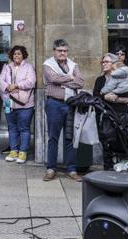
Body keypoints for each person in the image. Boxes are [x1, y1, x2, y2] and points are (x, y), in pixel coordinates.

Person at [42, 39, 85, 182]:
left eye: (65, 51)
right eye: (60, 50)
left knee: (70, 137)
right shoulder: (48, 64)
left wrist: (63, 82)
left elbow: (80, 81)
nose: (62, 53)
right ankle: (51, 168)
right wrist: (69, 78)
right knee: (53, 137)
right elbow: (52, 78)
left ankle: (71, 170)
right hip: (54, 104)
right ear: (54, 51)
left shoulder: (73, 64)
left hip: (71, 104)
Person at [0, 45, 35, 164]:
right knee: (12, 128)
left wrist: (17, 85)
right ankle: (14, 150)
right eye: (14, 54)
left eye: (19, 54)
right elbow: (0, 80)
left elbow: (31, 82)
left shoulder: (29, 67)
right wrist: (8, 88)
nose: (16, 56)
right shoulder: (7, 67)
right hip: (9, 103)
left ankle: (23, 152)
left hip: (25, 105)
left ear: (23, 55)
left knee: (24, 128)